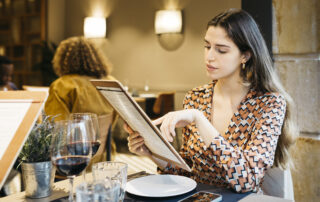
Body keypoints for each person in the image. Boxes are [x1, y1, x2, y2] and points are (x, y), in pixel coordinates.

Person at [125, 8, 297, 193]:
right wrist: (152, 154)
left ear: (245, 56)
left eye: (221, 50)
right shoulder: (195, 97)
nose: (209, 57)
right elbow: (187, 174)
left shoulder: (269, 104)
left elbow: (247, 180)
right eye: (207, 47)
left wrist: (199, 119)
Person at [45, 36, 116, 169]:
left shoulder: (62, 86)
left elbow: (58, 130)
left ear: (63, 60)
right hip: (104, 157)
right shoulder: (110, 83)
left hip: (73, 160)